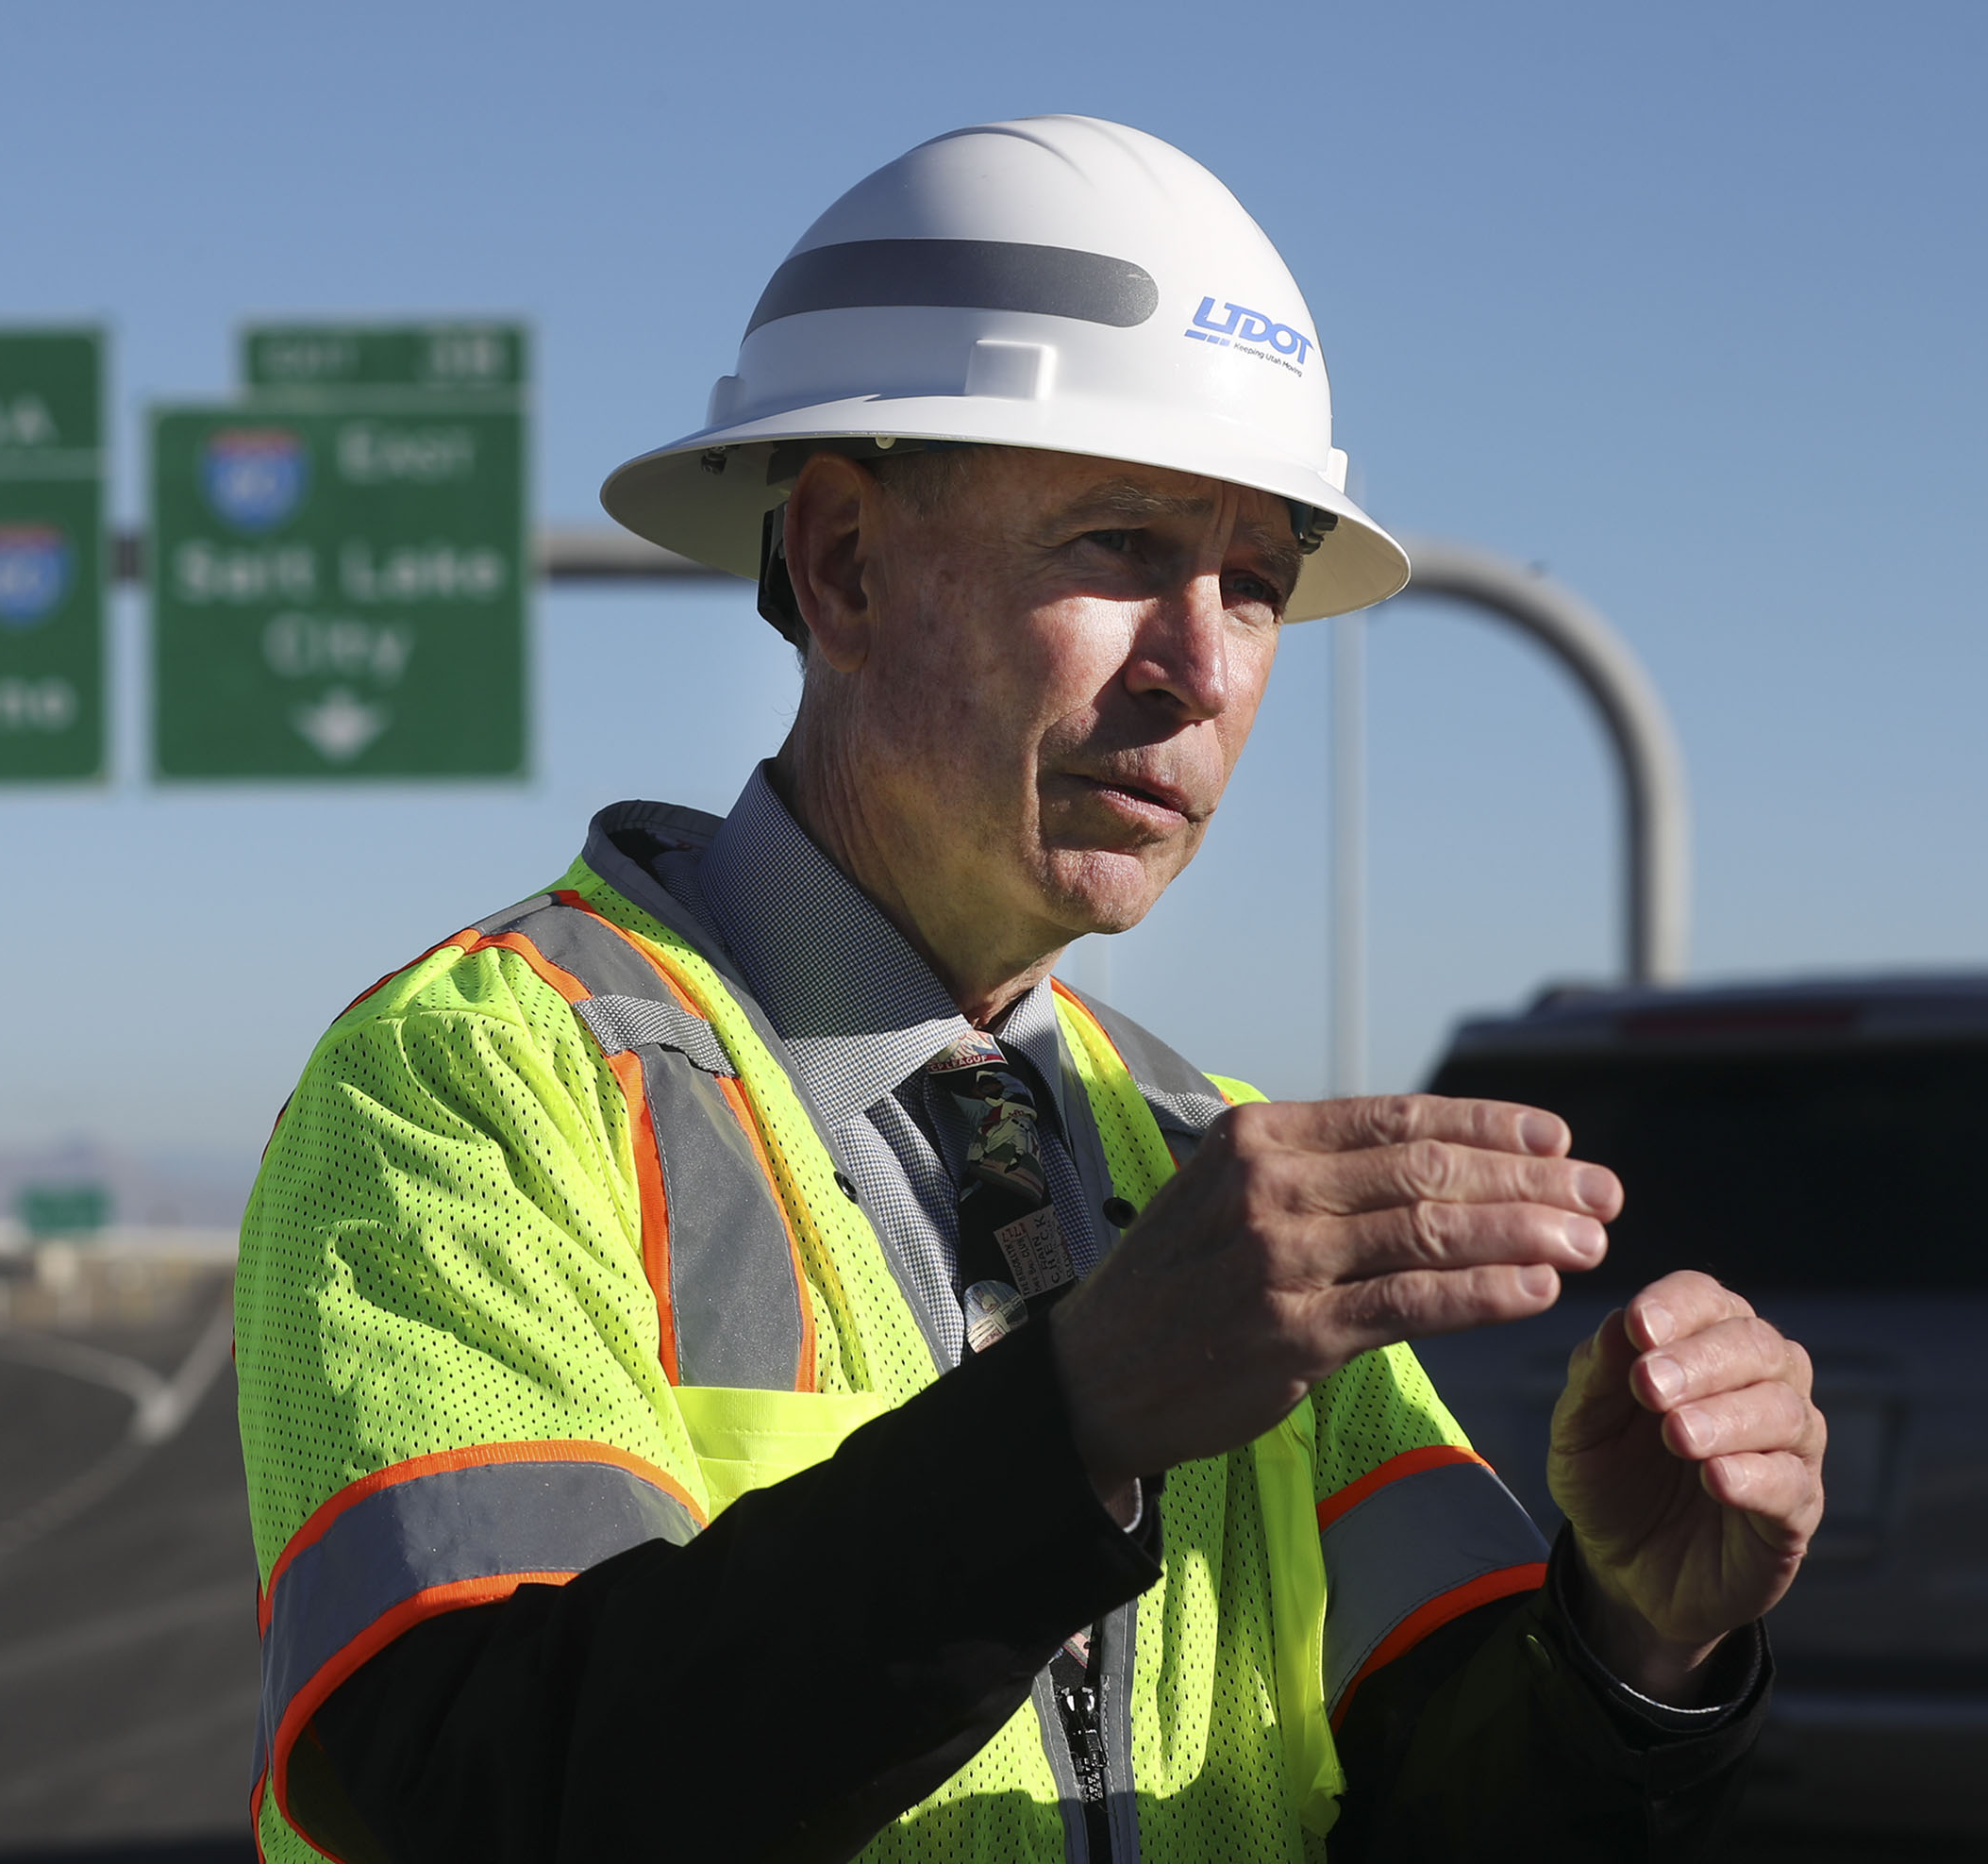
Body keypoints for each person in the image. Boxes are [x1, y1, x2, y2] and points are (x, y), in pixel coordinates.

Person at [234, 117, 1823, 1863]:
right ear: (841, 564)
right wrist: (1076, 1420)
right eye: (1123, 548)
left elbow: (1453, 1803)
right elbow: (466, 1790)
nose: (1201, 668)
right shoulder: (473, 1089)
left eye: (1258, 589)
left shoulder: (1207, 1163)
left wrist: (1635, 1647)